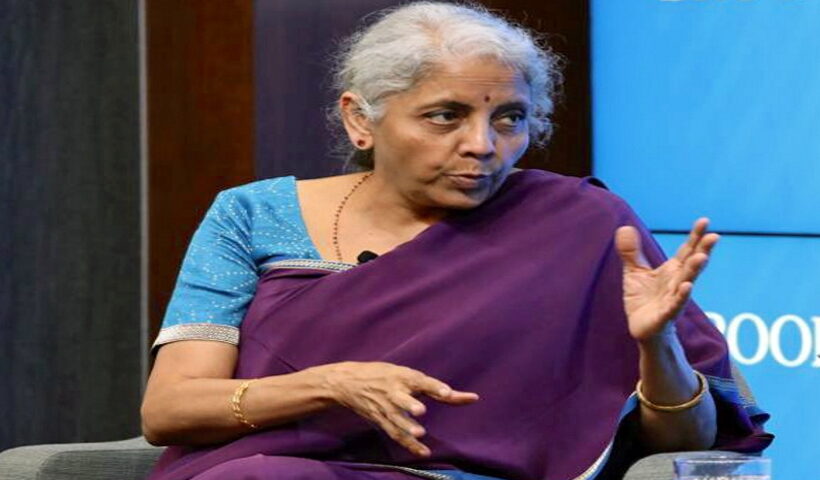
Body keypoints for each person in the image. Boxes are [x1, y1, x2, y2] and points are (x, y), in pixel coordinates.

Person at [140, 3, 772, 479]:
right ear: (361, 119)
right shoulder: (253, 214)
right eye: (445, 116)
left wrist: (657, 345)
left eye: (509, 119)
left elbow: (689, 449)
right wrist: (330, 385)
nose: (481, 145)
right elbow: (171, 410)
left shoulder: (584, 225)